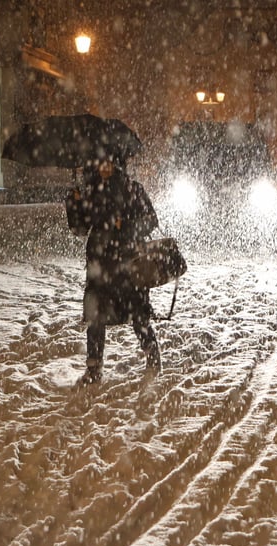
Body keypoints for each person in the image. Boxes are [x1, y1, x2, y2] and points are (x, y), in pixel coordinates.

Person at [66, 156, 162, 384]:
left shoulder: (132, 189)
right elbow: (80, 228)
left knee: (138, 314)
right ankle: (93, 369)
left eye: (109, 164)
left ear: (117, 165)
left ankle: (153, 359)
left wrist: (126, 225)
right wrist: (74, 203)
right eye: (100, 164)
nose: (104, 168)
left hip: (128, 262)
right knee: (95, 318)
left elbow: (151, 220)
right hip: (100, 264)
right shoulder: (91, 192)